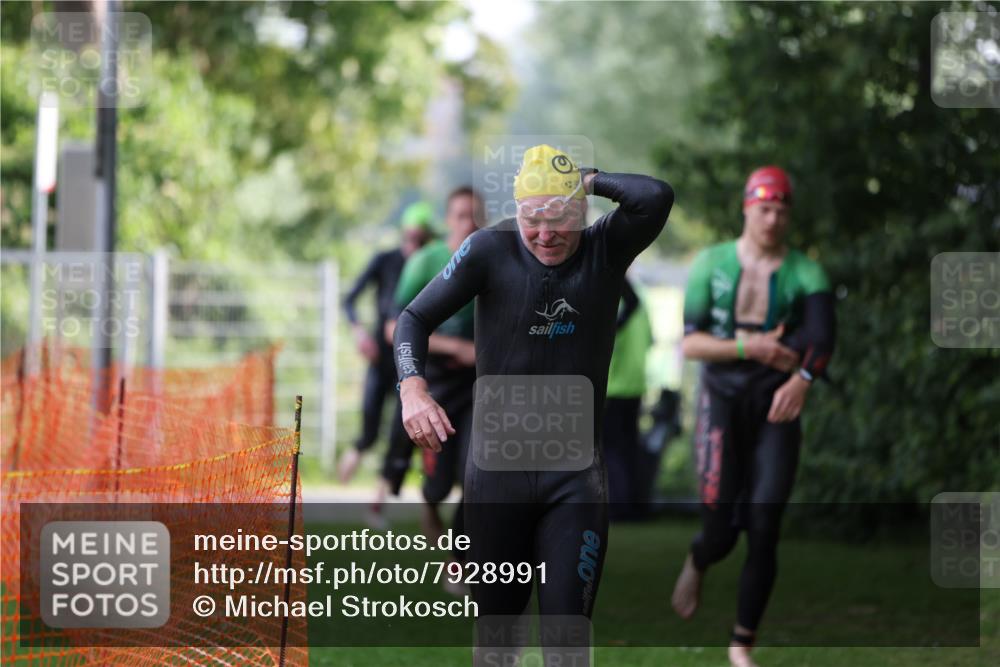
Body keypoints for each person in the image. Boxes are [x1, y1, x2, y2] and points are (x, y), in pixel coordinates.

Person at [393, 144, 673, 660]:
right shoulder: (488, 249)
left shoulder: (606, 248)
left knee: (567, 643)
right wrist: (413, 388)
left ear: (581, 210)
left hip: (575, 478)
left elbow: (655, 196)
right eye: (531, 218)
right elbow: (413, 319)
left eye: (558, 217)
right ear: (515, 211)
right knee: (497, 645)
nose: (545, 233)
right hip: (496, 476)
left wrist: (585, 180)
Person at [670, 166, 836, 667]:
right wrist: (753, 347)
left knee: (765, 522)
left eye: (782, 211)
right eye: (764, 209)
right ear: (747, 208)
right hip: (721, 401)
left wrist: (801, 381)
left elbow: (823, 339)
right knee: (720, 529)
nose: (773, 219)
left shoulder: (806, 272)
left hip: (775, 403)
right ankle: (699, 558)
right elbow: (691, 345)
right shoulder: (711, 263)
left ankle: (741, 644)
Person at [385, 186, 482, 567]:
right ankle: (429, 502)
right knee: (439, 484)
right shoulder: (426, 261)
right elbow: (395, 327)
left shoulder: (491, 256)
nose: (469, 223)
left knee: (477, 474)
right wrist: (455, 348)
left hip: (480, 386)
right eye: (461, 215)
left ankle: (459, 560)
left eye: (476, 215)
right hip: (436, 383)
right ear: (447, 220)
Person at [338, 202, 435, 525]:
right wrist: (359, 332)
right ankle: (350, 467)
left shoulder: (430, 264)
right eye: (411, 235)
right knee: (369, 426)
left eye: (420, 237)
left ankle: (376, 506)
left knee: (399, 435)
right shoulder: (386, 260)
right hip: (380, 358)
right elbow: (349, 299)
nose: (414, 243)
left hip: (411, 363)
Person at [603, 276, 654, 521]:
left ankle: (619, 508)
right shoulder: (641, 300)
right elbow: (650, 340)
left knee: (611, 450)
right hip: (635, 385)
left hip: (613, 386)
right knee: (629, 448)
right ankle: (636, 507)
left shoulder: (612, 299)